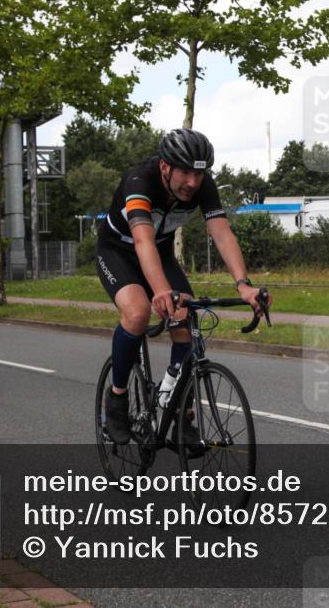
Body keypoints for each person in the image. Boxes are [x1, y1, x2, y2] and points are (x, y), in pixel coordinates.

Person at [96, 128, 272, 445]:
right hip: (118, 251)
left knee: (186, 318)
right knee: (137, 314)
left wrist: (243, 285)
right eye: (186, 172)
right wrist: (161, 291)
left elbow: (221, 234)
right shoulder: (140, 180)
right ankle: (117, 398)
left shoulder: (203, 186)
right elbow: (141, 239)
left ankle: (178, 409)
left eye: (199, 173)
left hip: (159, 254)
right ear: (165, 167)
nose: (193, 182)